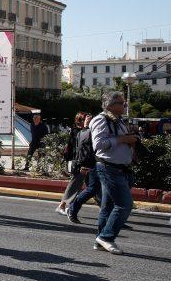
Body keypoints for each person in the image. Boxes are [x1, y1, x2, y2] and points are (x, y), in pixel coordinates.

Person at [88, 91, 138, 254]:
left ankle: (99, 240)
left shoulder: (117, 120)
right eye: (122, 103)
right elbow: (99, 144)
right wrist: (123, 140)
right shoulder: (101, 119)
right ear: (110, 105)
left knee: (108, 207)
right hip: (109, 168)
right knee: (125, 204)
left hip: (119, 168)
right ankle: (107, 237)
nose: (125, 105)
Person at [66, 120, 102, 224]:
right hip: (94, 165)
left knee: (101, 191)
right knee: (93, 189)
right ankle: (72, 208)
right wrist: (83, 165)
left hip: (101, 164)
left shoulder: (86, 132)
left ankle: (115, 218)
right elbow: (82, 150)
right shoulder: (87, 133)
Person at [57, 112, 89, 214]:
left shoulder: (84, 131)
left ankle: (106, 208)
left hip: (86, 162)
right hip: (79, 162)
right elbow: (77, 147)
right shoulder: (77, 131)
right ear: (79, 121)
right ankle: (62, 205)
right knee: (75, 184)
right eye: (84, 119)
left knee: (92, 186)